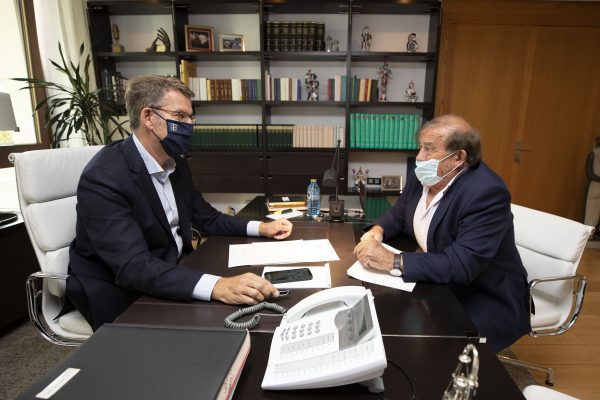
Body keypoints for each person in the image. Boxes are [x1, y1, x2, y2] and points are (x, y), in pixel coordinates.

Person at [65, 75, 293, 331]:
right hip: (122, 289)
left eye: (190, 117)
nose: (189, 125)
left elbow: (207, 218)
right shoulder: (104, 177)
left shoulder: (176, 164)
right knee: (219, 328)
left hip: (172, 268)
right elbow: (133, 266)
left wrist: (261, 227)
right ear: (148, 117)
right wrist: (218, 286)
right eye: (180, 116)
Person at [353, 114, 531, 352]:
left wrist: (393, 260)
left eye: (429, 149)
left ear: (459, 157)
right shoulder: (426, 175)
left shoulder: (486, 192)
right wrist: (378, 230)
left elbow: (462, 264)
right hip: (439, 279)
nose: (419, 157)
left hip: (480, 294)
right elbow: (399, 213)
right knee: (385, 316)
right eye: (420, 148)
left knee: (427, 347)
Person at [585, 136, 600, 240]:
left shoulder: (593, 155)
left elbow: (589, 173)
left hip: (596, 184)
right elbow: (589, 173)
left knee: (593, 209)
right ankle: (589, 233)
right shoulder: (592, 155)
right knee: (592, 209)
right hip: (596, 185)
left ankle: (592, 232)